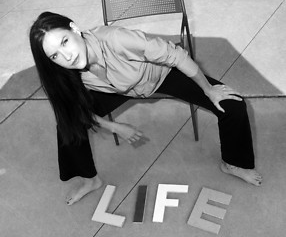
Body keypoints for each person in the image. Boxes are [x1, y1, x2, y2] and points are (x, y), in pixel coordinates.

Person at [29, 12, 262, 205]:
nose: (67, 56)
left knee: (233, 105)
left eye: (65, 42)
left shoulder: (116, 39)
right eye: (55, 55)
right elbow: (75, 111)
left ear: (74, 29)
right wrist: (114, 126)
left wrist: (208, 90)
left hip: (161, 74)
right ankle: (90, 180)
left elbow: (177, 56)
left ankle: (232, 163)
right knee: (67, 124)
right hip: (116, 89)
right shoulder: (62, 72)